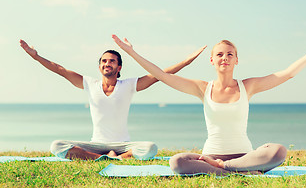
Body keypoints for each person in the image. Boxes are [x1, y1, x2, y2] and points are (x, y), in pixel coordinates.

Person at [111, 27, 306, 175]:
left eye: (229, 54)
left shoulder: (248, 86)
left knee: (278, 151)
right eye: (219, 54)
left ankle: (226, 168)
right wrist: (131, 52)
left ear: (236, 60)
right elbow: (162, 75)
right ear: (212, 60)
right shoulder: (202, 88)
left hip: (245, 156)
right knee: (176, 162)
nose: (224, 58)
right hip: (209, 156)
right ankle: (233, 170)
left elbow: (287, 74)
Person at [19, 39, 205, 160]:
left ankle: (117, 157)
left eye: (112, 61)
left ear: (119, 67)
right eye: (104, 61)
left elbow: (160, 75)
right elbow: (60, 69)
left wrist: (187, 60)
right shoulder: (89, 84)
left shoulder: (129, 85)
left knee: (150, 148)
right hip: (95, 144)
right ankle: (100, 157)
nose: (107, 63)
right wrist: (36, 57)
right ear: (100, 67)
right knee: (56, 146)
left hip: (124, 145)